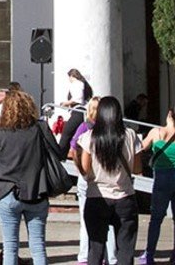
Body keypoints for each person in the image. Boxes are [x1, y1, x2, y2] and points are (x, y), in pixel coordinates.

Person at [0, 89, 62, 265]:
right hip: (37, 190)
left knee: (10, 246)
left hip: (6, 191)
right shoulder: (40, 128)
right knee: (38, 247)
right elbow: (58, 152)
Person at [77, 96, 142, 265]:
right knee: (126, 249)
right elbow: (137, 169)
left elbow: (85, 169)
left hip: (96, 197)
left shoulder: (89, 137)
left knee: (95, 249)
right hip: (125, 197)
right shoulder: (130, 135)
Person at [139, 104, 175, 265]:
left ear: (169, 114)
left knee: (156, 218)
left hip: (162, 176)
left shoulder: (157, 132)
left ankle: (149, 254)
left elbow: (141, 147)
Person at [68, 96, 117, 265]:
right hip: (109, 177)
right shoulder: (111, 129)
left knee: (86, 219)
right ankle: (111, 257)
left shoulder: (84, 128)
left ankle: (84, 255)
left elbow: (72, 151)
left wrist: (81, 168)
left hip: (88, 177)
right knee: (109, 223)